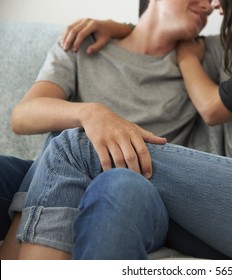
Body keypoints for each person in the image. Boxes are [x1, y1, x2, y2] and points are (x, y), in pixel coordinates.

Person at [11, 0, 232, 260]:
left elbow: (222, 104)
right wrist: (121, 27)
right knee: (83, 159)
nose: (214, 6)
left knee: (76, 145)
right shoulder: (229, 54)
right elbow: (165, 38)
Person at [1, 0, 216, 259]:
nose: (209, 6)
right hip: (58, 172)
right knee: (65, 138)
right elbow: (23, 115)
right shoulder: (83, 42)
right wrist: (91, 114)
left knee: (83, 152)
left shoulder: (201, 59)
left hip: (137, 185)